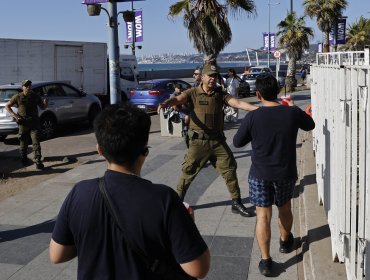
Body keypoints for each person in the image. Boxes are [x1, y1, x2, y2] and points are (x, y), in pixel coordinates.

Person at [50, 103, 210, 280]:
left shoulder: (79, 192)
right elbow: (198, 269)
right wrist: (187, 223)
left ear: (99, 150)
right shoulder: (163, 199)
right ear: (145, 151)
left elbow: (57, 255)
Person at [233, 73, 315, 276]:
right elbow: (310, 125)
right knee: (285, 208)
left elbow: (237, 142)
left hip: (259, 173)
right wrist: (292, 105)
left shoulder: (253, 116)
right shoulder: (292, 113)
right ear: (278, 91)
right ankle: (286, 242)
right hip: (285, 173)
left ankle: (266, 261)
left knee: (263, 216)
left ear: (258, 94)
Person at [157, 64, 258, 217]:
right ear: (202, 77)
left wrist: (262, 109)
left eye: (215, 76)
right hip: (198, 143)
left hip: (218, 142)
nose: (212, 78)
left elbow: (237, 103)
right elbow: (178, 99)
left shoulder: (220, 94)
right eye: (209, 76)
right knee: (188, 173)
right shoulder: (192, 93)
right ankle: (177, 204)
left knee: (230, 169)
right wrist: (166, 103)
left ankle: (236, 202)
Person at [5, 80, 48, 169]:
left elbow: (43, 107)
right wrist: (16, 116)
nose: (28, 87)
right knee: (23, 143)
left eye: (29, 85)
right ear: (22, 87)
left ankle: (38, 161)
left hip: (34, 122)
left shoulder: (35, 96)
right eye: (26, 85)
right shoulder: (17, 97)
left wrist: (45, 103)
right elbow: (7, 106)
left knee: (36, 141)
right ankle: (24, 160)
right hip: (23, 123)